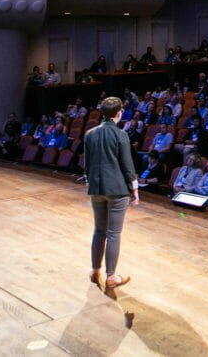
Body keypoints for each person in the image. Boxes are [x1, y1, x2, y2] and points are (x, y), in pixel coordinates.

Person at [84, 96, 138, 290]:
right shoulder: (121, 135)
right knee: (114, 233)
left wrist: (91, 183)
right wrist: (135, 188)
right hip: (117, 190)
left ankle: (94, 270)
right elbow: (127, 165)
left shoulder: (90, 134)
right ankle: (111, 276)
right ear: (118, 113)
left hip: (96, 189)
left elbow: (87, 164)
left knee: (99, 231)